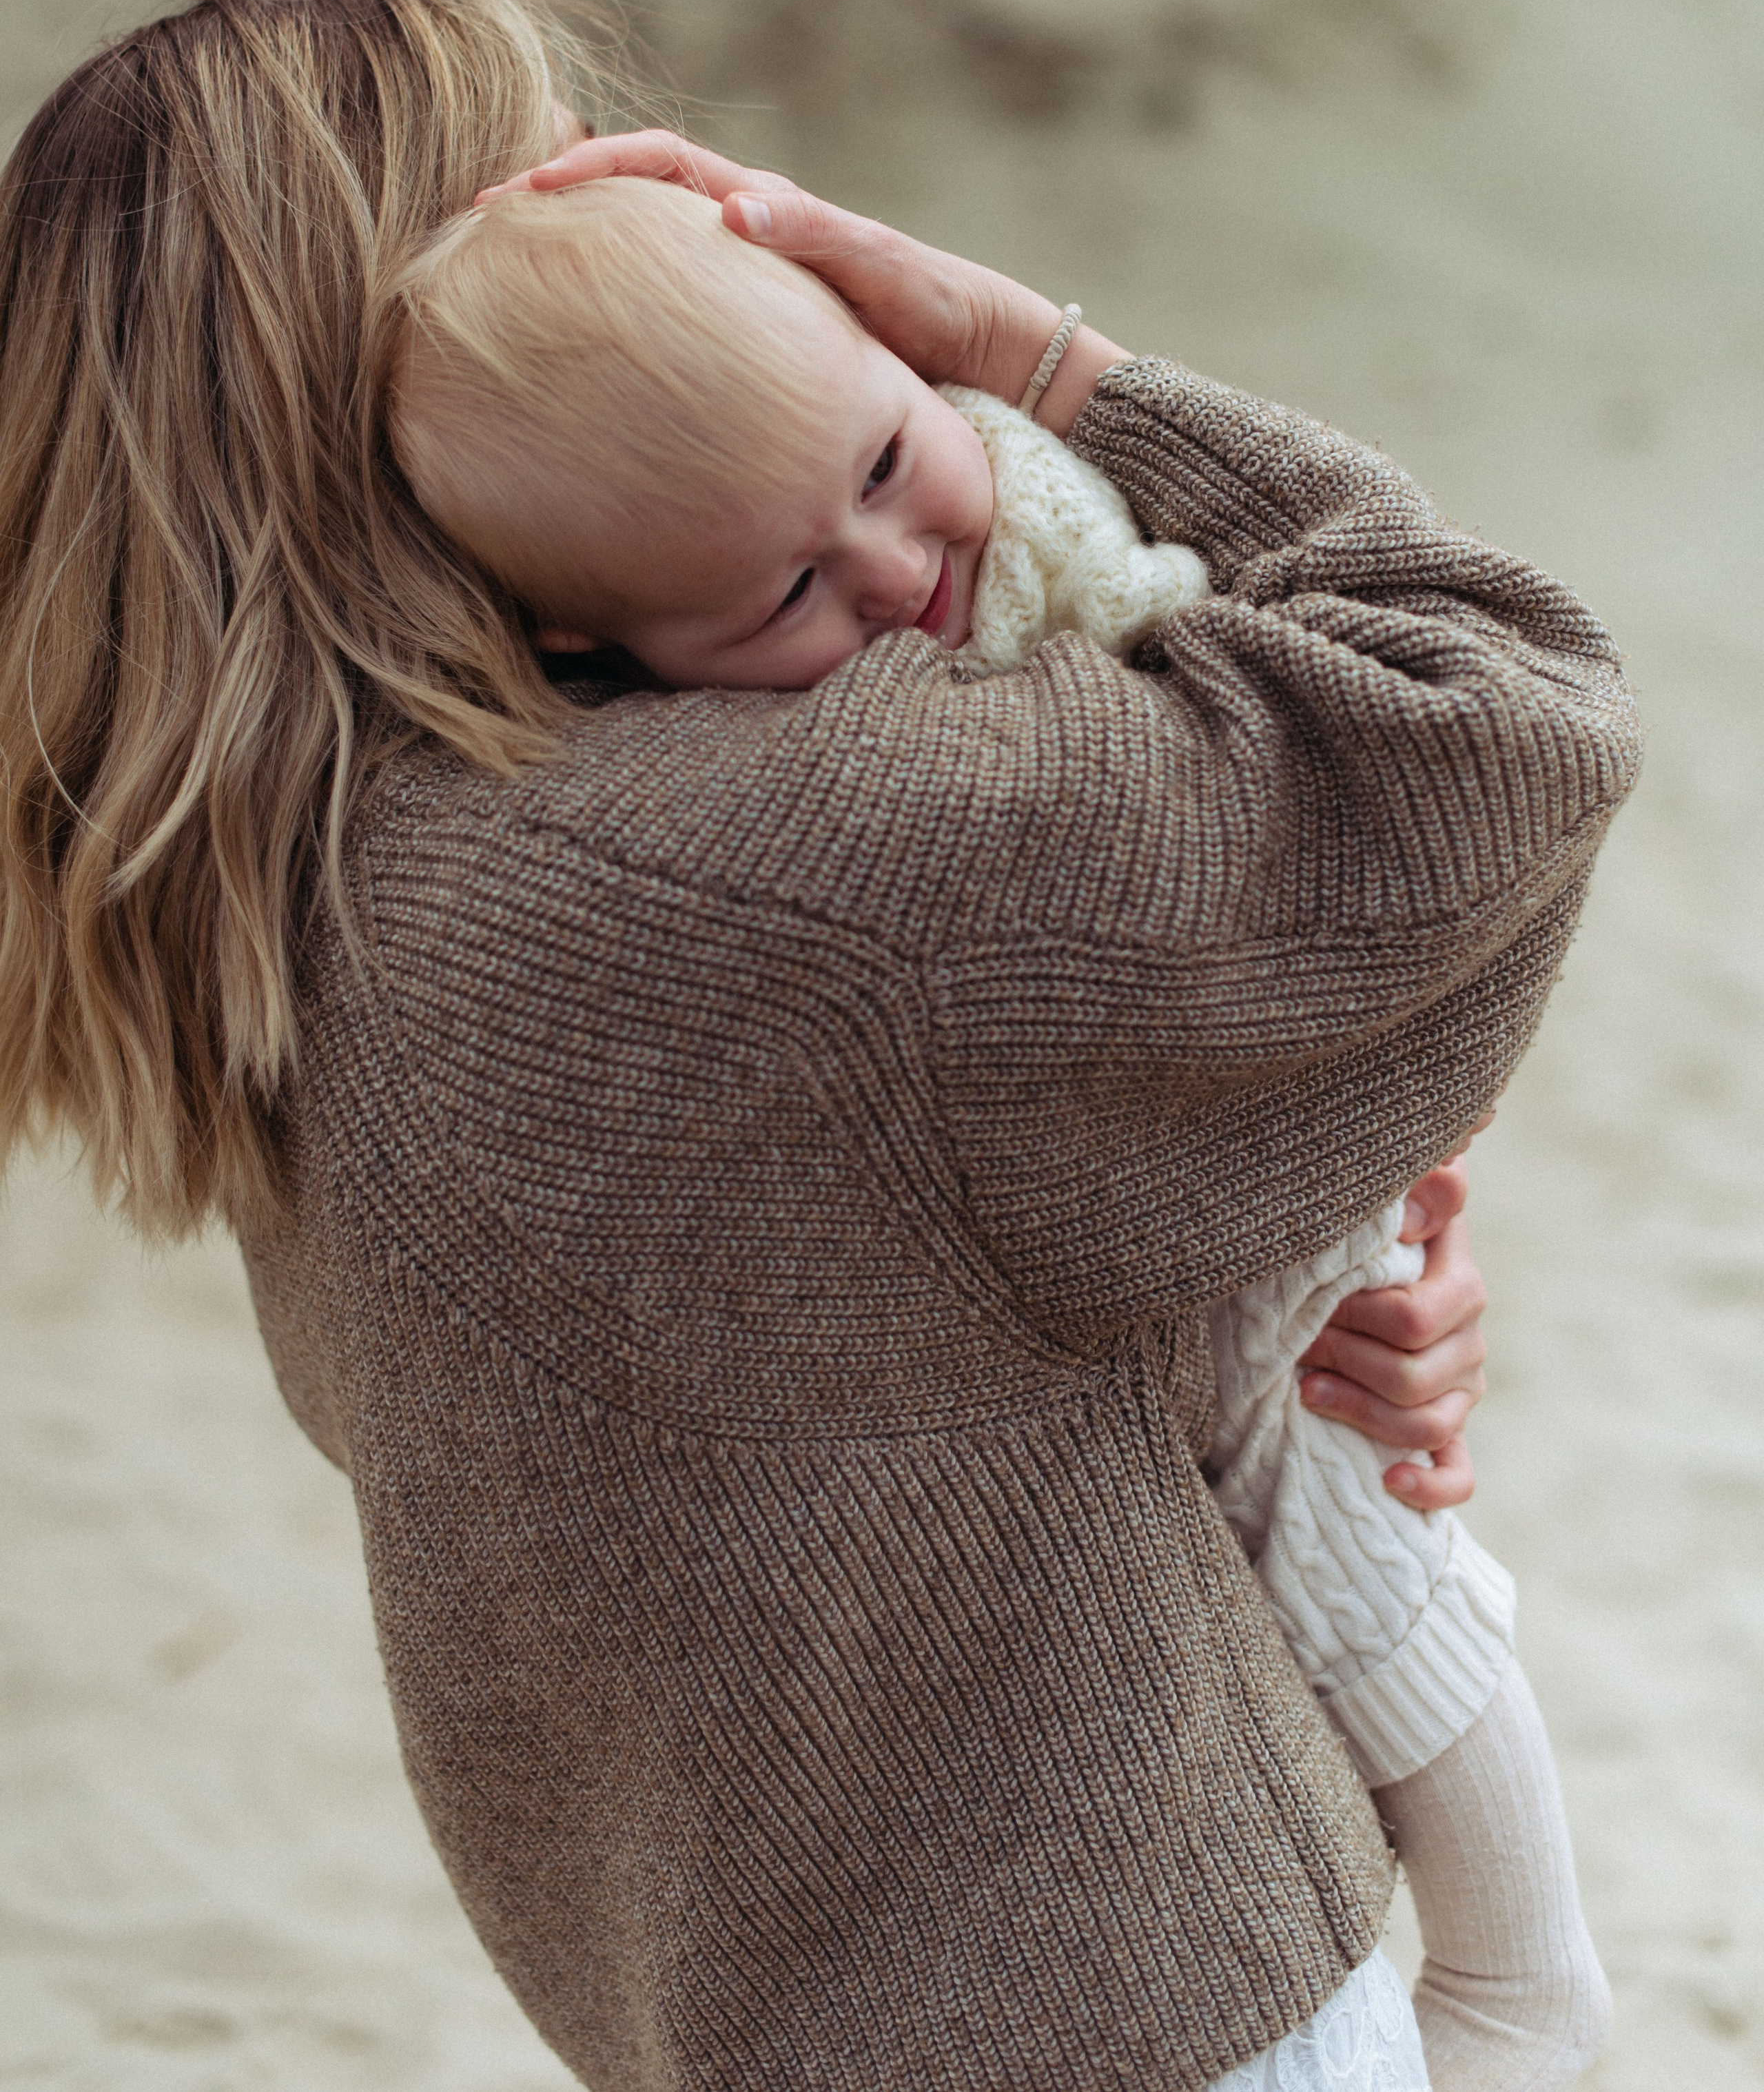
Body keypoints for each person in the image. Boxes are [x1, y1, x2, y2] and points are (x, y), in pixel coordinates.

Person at [0, 0, 1639, 2092]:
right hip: (1146, 2000)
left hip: (738, 2014)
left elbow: (847, 1345)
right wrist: (1041, 358)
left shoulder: (297, 928)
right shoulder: (763, 864)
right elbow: (1503, 707)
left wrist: (1254, 1260)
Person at [387, 172, 1616, 2090]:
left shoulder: (1006, 511)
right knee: (1365, 1535)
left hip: (1168, 1137)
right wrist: (1050, 354)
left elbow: (1265, 814)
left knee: (1375, 1523)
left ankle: (1528, 1971)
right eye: (789, 589)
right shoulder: (806, 812)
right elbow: (1501, 703)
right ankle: (1528, 1984)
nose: (897, 568)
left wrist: (1319, 1155)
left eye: (889, 452)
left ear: (888, 354)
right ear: (585, 646)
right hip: (1119, 1184)